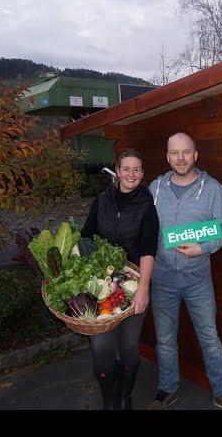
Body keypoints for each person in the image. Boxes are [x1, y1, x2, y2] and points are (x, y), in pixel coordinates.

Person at [147, 132, 222, 410]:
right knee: (165, 340)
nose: (180, 158)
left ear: (195, 155)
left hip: (197, 279)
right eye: (175, 153)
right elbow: (145, 228)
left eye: (186, 152)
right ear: (167, 157)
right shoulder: (154, 189)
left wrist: (203, 249)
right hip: (162, 278)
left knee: (209, 338)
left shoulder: (213, 189)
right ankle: (167, 389)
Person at [80, 148, 159, 410]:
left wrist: (143, 289)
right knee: (101, 349)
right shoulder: (102, 201)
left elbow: (148, 249)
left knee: (127, 348)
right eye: (126, 168)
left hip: (133, 284)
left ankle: (125, 396)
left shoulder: (147, 206)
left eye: (137, 169)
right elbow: (87, 235)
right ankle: (110, 401)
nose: (131, 174)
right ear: (117, 170)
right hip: (102, 286)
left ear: (142, 173)